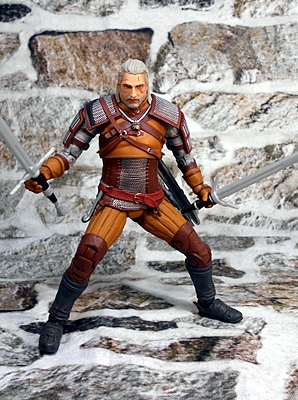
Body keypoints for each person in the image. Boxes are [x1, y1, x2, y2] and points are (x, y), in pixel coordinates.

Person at [25, 59, 242, 354]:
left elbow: (185, 159)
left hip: (154, 201)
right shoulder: (97, 112)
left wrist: (200, 188)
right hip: (114, 200)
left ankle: (208, 303)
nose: (134, 93)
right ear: (118, 84)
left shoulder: (167, 114)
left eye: (139, 86)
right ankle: (56, 319)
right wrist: (44, 174)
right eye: (127, 86)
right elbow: (68, 153)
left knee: (199, 251)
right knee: (88, 253)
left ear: (147, 84)